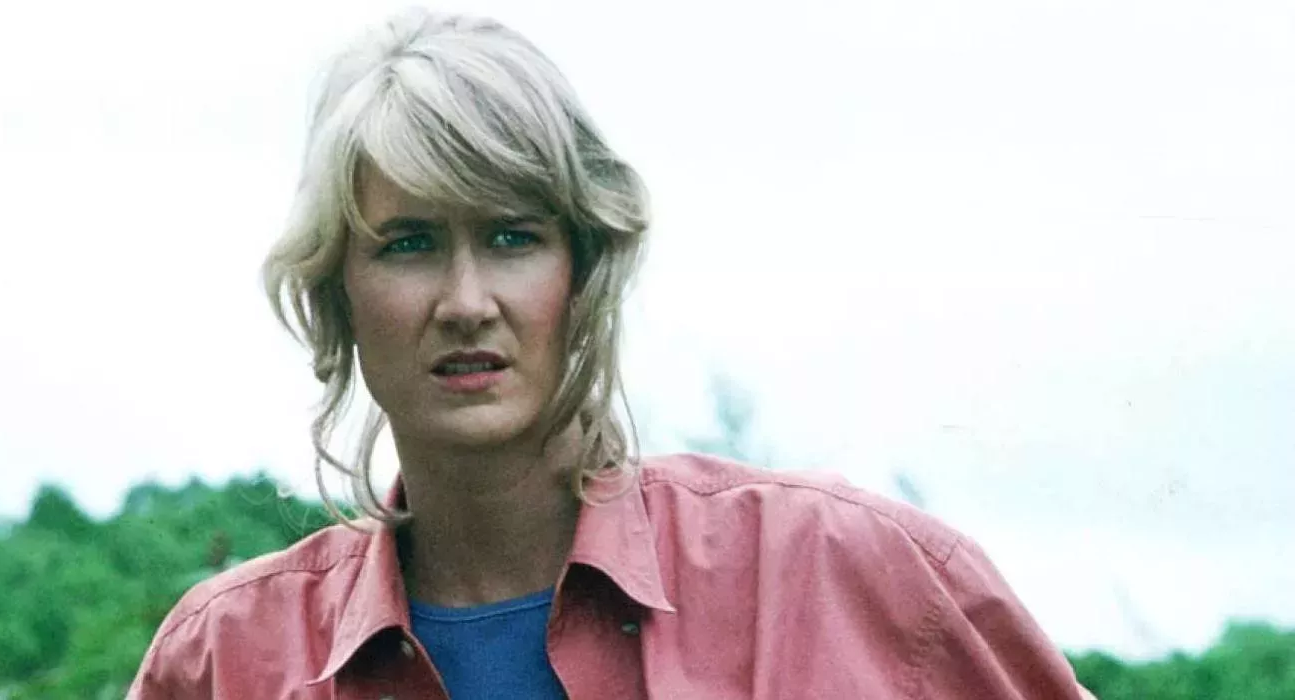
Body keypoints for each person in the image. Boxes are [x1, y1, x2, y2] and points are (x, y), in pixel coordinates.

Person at [129, 7, 1097, 699]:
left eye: (512, 236)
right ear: (337, 290)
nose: (466, 302)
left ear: (584, 267)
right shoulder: (225, 660)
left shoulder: (841, 576)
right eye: (409, 243)